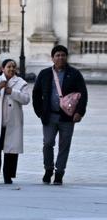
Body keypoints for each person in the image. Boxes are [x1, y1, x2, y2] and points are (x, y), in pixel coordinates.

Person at [31, 45, 89, 185]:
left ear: (66, 57)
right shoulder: (45, 73)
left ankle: (59, 172)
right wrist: (40, 112)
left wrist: (79, 112)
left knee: (64, 145)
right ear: (52, 58)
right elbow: (36, 93)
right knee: (48, 143)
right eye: (57, 55)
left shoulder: (74, 73)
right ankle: (48, 169)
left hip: (67, 117)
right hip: (49, 116)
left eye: (63, 55)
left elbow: (83, 93)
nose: (60, 58)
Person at [0, 59, 30, 185]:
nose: (11, 69)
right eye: (9, 66)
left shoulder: (21, 82)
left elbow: (26, 99)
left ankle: (8, 176)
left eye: (14, 67)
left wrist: (12, 92)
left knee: (11, 151)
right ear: (2, 68)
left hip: (12, 123)